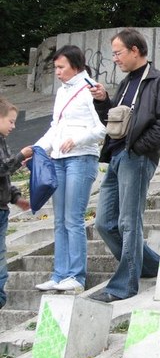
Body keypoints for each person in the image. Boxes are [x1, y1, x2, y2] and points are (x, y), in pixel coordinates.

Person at [89, 28, 160, 302]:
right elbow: (115, 122)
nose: (114, 58)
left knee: (129, 222)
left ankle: (124, 287)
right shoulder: (126, 83)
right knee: (104, 223)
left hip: (137, 158)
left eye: (118, 53)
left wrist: (139, 148)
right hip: (116, 156)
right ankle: (153, 267)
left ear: (135, 50)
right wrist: (103, 101)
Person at [33, 45, 106, 293]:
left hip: (81, 158)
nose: (57, 72)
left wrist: (77, 140)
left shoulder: (90, 89)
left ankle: (76, 275)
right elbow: (56, 126)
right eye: (55, 67)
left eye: (61, 67)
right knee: (60, 220)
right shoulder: (62, 91)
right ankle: (59, 274)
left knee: (73, 219)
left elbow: (102, 127)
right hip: (58, 159)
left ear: (75, 66)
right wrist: (37, 148)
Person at [0, 97, 33, 307]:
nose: (14, 126)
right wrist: (20, 156)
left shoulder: (2, 141)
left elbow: (4, 178)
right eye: (10, 121)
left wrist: (16, 198)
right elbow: (2, 168)